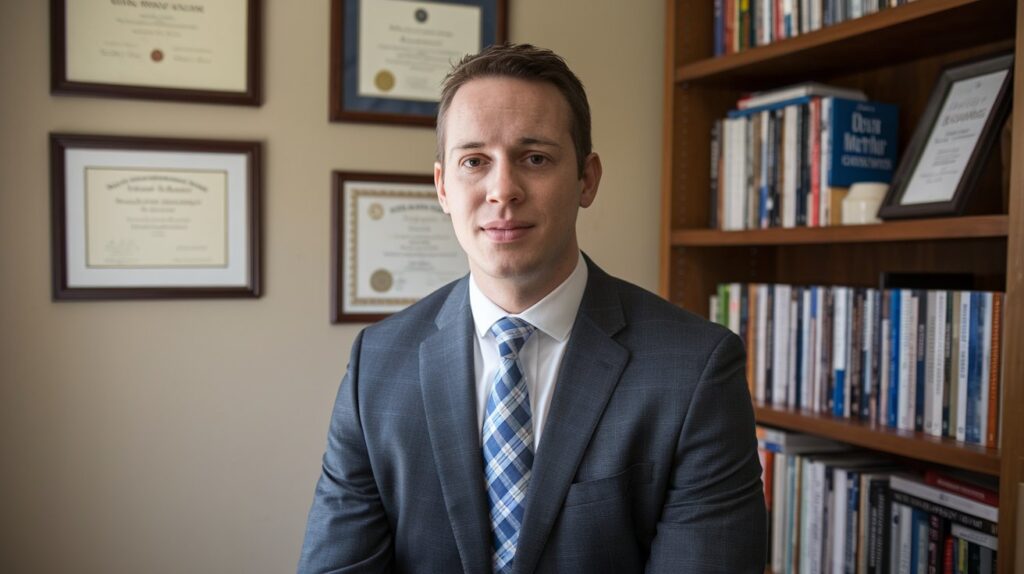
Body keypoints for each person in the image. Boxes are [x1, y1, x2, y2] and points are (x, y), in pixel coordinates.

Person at [298, 43, 766, 574]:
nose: (503, 190)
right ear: (442, 187)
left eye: (535, 158)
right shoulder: (376, 364)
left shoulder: (695, 368)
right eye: (474, 161)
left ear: (586, 179)